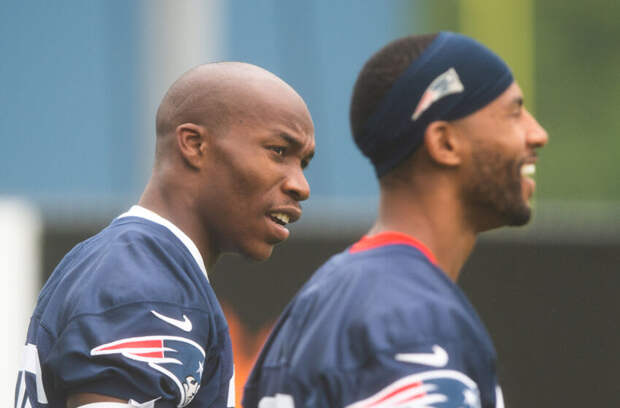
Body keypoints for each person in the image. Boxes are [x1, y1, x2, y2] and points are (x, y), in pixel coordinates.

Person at [243, 32, 548, 408]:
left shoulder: (324, 300)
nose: (538, 134)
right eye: (514, 113)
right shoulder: (410, 316)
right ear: (445, 144)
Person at [14, 62, 315, 408]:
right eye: (278, 151)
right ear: (194, 144)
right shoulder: (143, 282)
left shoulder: (127, 262)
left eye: (303, 163)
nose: (300, 186)